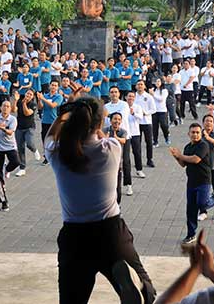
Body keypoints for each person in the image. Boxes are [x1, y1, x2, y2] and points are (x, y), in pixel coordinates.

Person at [44, 96, 156, 303]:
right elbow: (100, 135)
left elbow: (50, 137)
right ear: (98, 124)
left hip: (75, 238)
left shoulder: (57, 153)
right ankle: (138, 287)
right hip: (111, 234)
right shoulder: (111, 148)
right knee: (148, 292)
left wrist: (62, 116)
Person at [169, 123, 214, 245]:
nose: (195, 134)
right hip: (191, 182)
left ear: (201, 133)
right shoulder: (187, 147)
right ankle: (191, 234)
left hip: (203, 181)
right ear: (188, 134)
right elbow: (184, 164)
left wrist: (180, 155)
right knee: (191, 210)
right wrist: (176, 157)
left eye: (197, 132)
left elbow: (195, 159)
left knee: (202, 203)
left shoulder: (203, 146)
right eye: (193, 132)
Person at [0, 101, 21, 210]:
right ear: (0, 107)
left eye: (8, 106)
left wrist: (2, 128)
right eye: (4, 106)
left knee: (16, 162)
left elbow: (10, 132)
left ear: (10, 109)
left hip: (10, 146)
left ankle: (7, 170)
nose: (5, 108)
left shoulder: (13, 119)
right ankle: (4, 199)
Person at [14, 89, 41, 177]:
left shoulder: (33, 104)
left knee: (29, 143)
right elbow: (13, 110)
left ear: (32, 96)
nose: (28, 95)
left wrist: (24, 104)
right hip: (19, 127)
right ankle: (22, 168)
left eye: (30, 94)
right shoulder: (19, 101)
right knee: (20, 148)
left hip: (29, 127)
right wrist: (15, 100)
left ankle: (35, 150)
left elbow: (27, 113)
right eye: (27, 93)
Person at [134, 81, 156, 168]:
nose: (140, 86)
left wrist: (145, 113)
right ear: (135, 86)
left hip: (146, 122)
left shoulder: (148, 97)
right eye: (138, 84)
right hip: (136, 123)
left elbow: (153, 109)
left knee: (149, 142)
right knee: (137, 143)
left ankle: (149, 159)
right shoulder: (133, 96)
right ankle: (138, 160)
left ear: (145, 86)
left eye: (141, 84)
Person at [150, 78, 170, 146]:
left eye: (159, 81)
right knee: (155, 127)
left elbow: (161, 99)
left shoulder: (164, 91)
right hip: (154, 111)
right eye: (156, 81)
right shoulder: (153, 90)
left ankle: (166, 136)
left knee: (163, 125)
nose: (157, 82)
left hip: (162, 111)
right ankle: (155, 141)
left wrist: (153, 94)